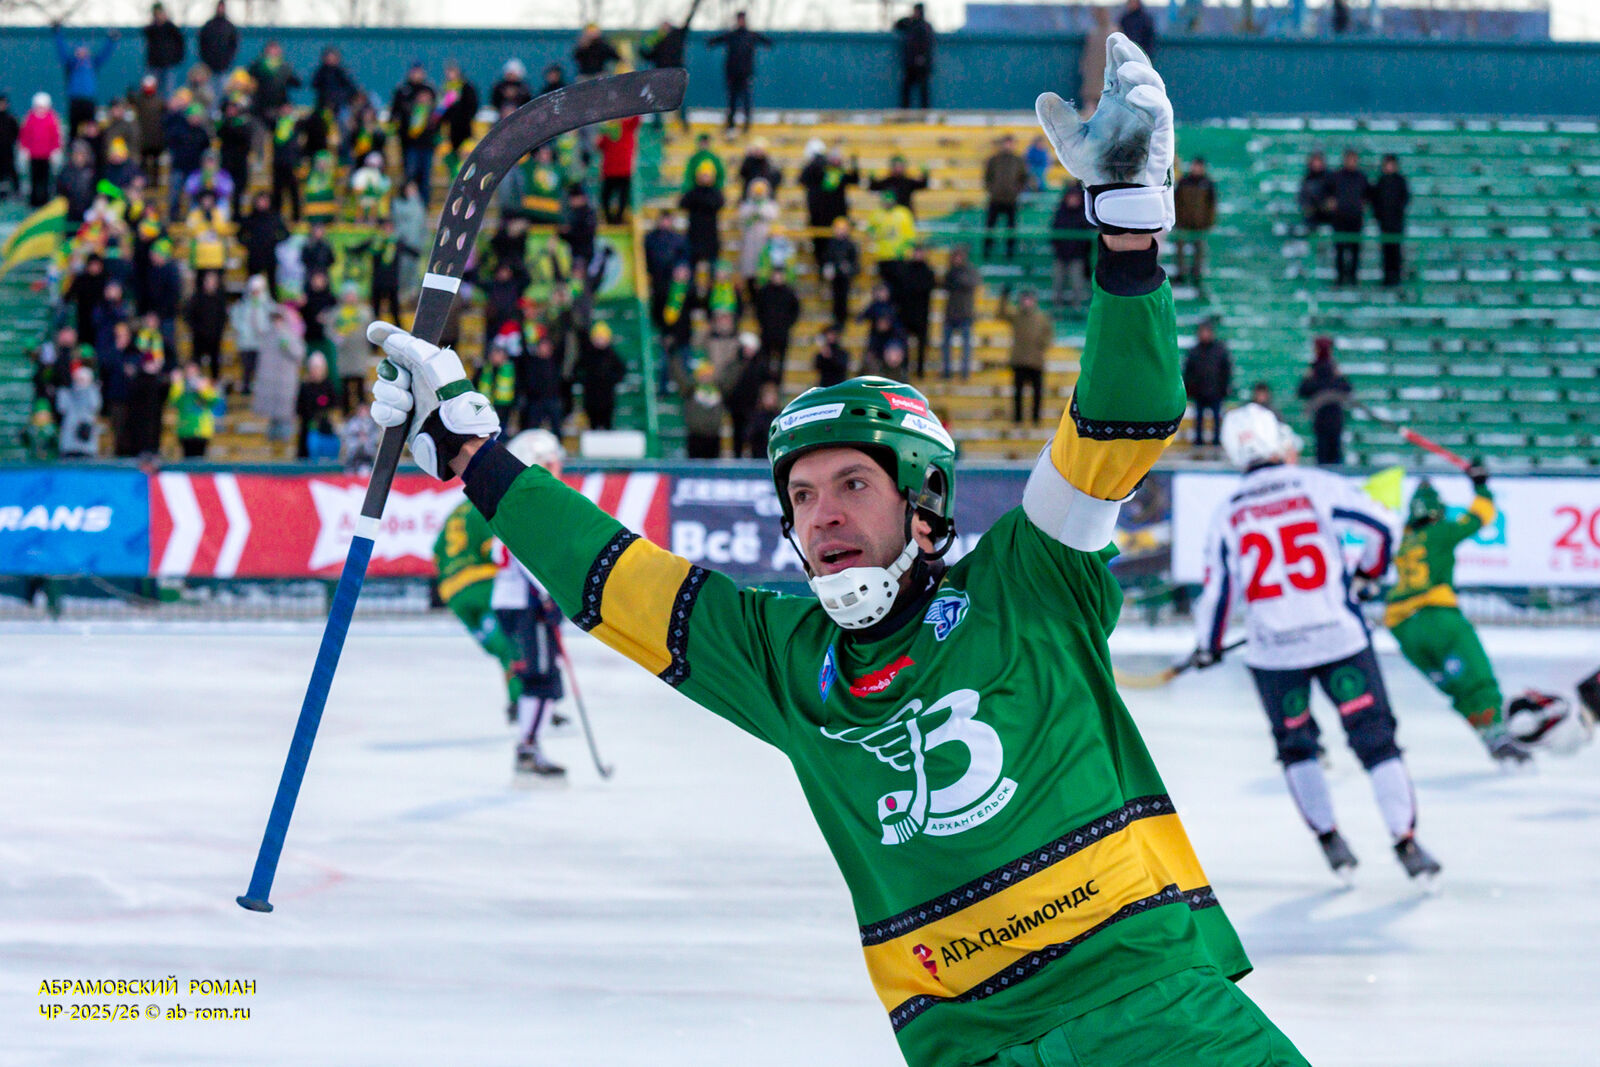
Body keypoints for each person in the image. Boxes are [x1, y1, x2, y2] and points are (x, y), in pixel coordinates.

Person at [364, 35, 1309, 1063]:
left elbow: (1124, 417)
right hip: (978, 1051)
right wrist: (473, 454)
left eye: (852, 483)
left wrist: (1127, 229)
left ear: (925, 496)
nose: (820, 515)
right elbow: (622, 583)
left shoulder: (1031, 574)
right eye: (802, 495)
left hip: (1160, 1013)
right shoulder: (786, 657)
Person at [1192, 403, 1439, 886]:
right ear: (1277, 441)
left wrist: (1209, 644)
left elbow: (1219, 590)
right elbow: (1383, 526)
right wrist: (1369, 573)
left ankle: (1330, 841)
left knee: (1297, 747)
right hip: (1338, 636)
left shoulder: (1228, 512)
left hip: (1274, 652)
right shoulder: (1316, 484)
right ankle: (1407, 843)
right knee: (1376, 740)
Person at [639, 0, 703, 132]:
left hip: (676, 73)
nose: (665, 27)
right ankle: (657, 126)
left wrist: (695, 5)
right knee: (657, 99)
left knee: (679, 99)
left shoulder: (677, 35)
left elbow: (688, 20)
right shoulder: (658, 41)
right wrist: (641, 50)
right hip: (660, 74)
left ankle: (684, 124)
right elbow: (648, 56)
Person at [707, 11, 772, 135]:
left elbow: (767, 41)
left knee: (746, 100)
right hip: (732, 74)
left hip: (745, 74)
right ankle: (731, 125)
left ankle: (746, 125)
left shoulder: (751, 35)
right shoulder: (732, 35)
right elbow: (716, 40)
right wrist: (710, 42)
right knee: (732, 101)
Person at [53, 22, 119, 136]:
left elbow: (105, 53)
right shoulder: (71, 64)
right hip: (75, 100)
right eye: (79, 50)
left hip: (89, 100)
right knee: (74, 130)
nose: (82, 52)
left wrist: (111, 40)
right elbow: (61, 50)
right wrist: (57, 33)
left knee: (91, 130)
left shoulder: (92, 63)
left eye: (84, 50)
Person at [997, 287, 1051, 425]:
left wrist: (1041, 344)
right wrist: (1004, 297)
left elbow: (1048, 334)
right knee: (1018, 393)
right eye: (1024, 299)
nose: (1027, 302)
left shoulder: (1041, 318)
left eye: (1029, 299)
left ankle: (1035, 419)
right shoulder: (1017, 316)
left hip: (1036, 361)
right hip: (1019, 360)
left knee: (1037, 393)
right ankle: (1018, 418)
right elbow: (1000, 314)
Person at [1297, 335, 1351, 465]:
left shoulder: (1317, 370)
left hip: (1325, 419)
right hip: (1329, 418)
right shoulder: (1330, 370)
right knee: (1332, 455)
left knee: (1325, 456)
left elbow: (1303, 390)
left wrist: (1307, 378)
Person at [1182, 320, 1231, 448]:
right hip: (1199, 391)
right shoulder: (1194, 351)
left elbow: (1226, 370)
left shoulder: (1220, 350)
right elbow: (1188, 371)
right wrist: (1189, 388)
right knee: (1198, 418)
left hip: (1216, 391)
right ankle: (1198, 440)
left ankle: (1216, 440)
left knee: (1216, 418)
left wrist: (1224, 388)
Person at [982, 134, 1028, 259]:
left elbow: (1023, 177)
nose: (1008, 145)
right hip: (995, 198)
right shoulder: (994, 159)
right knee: (990, 226)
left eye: (1010, 143)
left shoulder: (1018, 160)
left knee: (1011, 227)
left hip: (1011, 200)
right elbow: (987, 176)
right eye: (1006, 143)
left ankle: (1010, 252)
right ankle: (987, 250)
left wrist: (1016, 191)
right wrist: (992, 190)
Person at [1173, 156, 1216, 288]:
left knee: (1199, 250)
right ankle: (1181, 273)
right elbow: (1176, 201)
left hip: (1199, 224)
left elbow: (1212, 205)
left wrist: (1209, 222)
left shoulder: (1208, 184)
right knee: (1180, 250)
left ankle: (1196, 274)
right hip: (1183, 222)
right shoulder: (1184, 181)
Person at [1328, 148, 1369, 285]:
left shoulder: (1361, 177)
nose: (1351, 162)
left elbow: (1367, 194)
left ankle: (1353, 277)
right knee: (1340, 249)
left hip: (1355, 218)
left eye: (1354, 159)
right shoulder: (1336, 176)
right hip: (1339, 218)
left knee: (1355, 249)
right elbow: (1328, 192)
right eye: (1349, 159)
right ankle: (1340, 277)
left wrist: (1363, 204)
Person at [674, 356, 728, 459]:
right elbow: (679, 378)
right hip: (695, 436)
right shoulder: (691, 389)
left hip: (713, 436)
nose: (705, 377)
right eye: (703, 374)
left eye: (708, 375)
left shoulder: (718, 390)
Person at [577, 320, 626, 430]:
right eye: (597, 338)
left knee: (607, 423)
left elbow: (621, 370)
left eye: (602, 338)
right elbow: (578, 370)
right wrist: (585, 381)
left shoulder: (611, 355)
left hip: (607, 396)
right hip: (591, 396)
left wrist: (612, 380)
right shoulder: (588, 354)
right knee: (593, 424)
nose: (600, 341)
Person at [1049, 186, 1091, 312]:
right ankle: (1057, 309)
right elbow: (1054, 232)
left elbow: (1088, 234)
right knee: (1058, 283)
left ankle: (1077, 309)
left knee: (1077, 284)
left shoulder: (1083, 215)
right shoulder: (1060, 213)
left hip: (1077, 256)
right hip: (1060, 255)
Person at [939, 245, 978, 380]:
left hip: (965, 314)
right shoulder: (951, 272)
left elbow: (971, 283)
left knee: (965, 346)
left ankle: (964, 372)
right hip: (951, 313)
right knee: (946, 345)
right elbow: (945, 286)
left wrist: (957, 277)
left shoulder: (969, 271)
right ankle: (946, 372)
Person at [752, 265, 800, 376]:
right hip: (767, 331)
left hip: (782, 332)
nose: (777, 277)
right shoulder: (764, 291)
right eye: (775, 275)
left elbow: (796, 310)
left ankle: (778, 381)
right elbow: (758, 309)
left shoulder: (789, 292)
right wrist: (763, 323)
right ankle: (765, 380)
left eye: (780, 275)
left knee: (781, 360)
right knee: (765, 359)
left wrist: (788, 324)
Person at [1371, 154, 1410, 287]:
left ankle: (1396, 276)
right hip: (1384, 222)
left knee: (1396, 250)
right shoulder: (1380, 181)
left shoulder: (1400, 181)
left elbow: (1405, 198)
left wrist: (1397, 211)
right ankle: (1387, 277)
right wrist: (1379, 215)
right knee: (1386, 251)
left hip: (1396, 222)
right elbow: (1375, 200)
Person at [184, 269, 229, 383]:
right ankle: (195, 384)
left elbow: (223, 317)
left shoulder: (220, 299)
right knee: (196, 362)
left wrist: (218, 330)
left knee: (215, 363)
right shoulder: (196, 298)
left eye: (213, 282)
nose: (211, 284)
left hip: (215, 337)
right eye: (209, 281)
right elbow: (188, 315)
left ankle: (215, 385)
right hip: (199, 337)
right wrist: (196, 329)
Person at [20, 94, 63, 208]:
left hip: (46, 156)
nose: (40, 109)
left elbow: (55, 135)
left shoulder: (52, 118)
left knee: (45, 179)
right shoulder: (30, 118)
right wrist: (24, 148)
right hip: (33, 155)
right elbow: (25, 134)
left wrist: (55, 150)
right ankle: (34, 200)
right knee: (34, 178)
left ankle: (45, 200)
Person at [596, 115, 641, 224]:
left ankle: (611, 218)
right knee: (621, 197)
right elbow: (637, 118)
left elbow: (600, 145)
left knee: (607, 197)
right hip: (622, 169)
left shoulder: (608, 129)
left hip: (611, 170)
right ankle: (617, 218)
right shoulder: (624, 126)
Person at [169, 362, 218, 458]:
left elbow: (214, 401)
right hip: (185, 430)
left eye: (193, 371)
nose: (191, 374)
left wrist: (204, 389)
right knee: (187, 459)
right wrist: (177, 384)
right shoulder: (181, 387)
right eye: (188, 371)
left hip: (202, 430)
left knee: (200, 460)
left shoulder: (205, 385)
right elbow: (173, 402)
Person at [893, 3, 935, 110]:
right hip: (910, 63)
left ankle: (924, 112)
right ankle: (905, 111)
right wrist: (908, 19)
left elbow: (927, 44)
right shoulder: (910, 24)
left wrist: (922, 57)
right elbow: (897, 25)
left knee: (923, 88)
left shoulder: (925, 26)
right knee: (907, 87)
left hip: (921, 63)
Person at [56, 363, 102, 459]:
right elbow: (61, 408)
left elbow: (95, 406)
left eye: (84, 379)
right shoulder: (66, 392)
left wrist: (89, 389)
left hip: (86, 439)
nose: (81, 382)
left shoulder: (92, 392)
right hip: (70, 438)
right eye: (79, 379)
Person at [142, 4, 186, 95]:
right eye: (156, 14)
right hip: (153, 65)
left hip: (168, 65)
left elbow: (181, 44)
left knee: (168, 91)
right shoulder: (152, 29)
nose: (159, 16)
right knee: (151, 92)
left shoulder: (172, 28)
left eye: (160, 13)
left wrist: (176, 59)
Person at [198, 2, 238, 98]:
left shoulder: (229, 26)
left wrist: (228, 60)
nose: (220, 9)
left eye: (222, 7)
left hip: (224, 67)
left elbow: (234, 45)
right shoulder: (208, 26)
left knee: (222, 92)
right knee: (209, 93)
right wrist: (206, 61)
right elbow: (202, 44)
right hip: (209, 68)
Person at [1296, 150, 1330, 237]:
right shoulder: (1307, 178)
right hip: (1312, 214)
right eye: (1315, 161)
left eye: (1319, 161)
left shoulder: (1330, 177)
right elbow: (1302, 197)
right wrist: (1306, 206)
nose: (1316, 164)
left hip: (1327, 213)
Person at [0, 95, 20, 201]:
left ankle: (17, 191)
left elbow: (16, 133)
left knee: (11, 171)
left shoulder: (11, 118)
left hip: (8, 151)